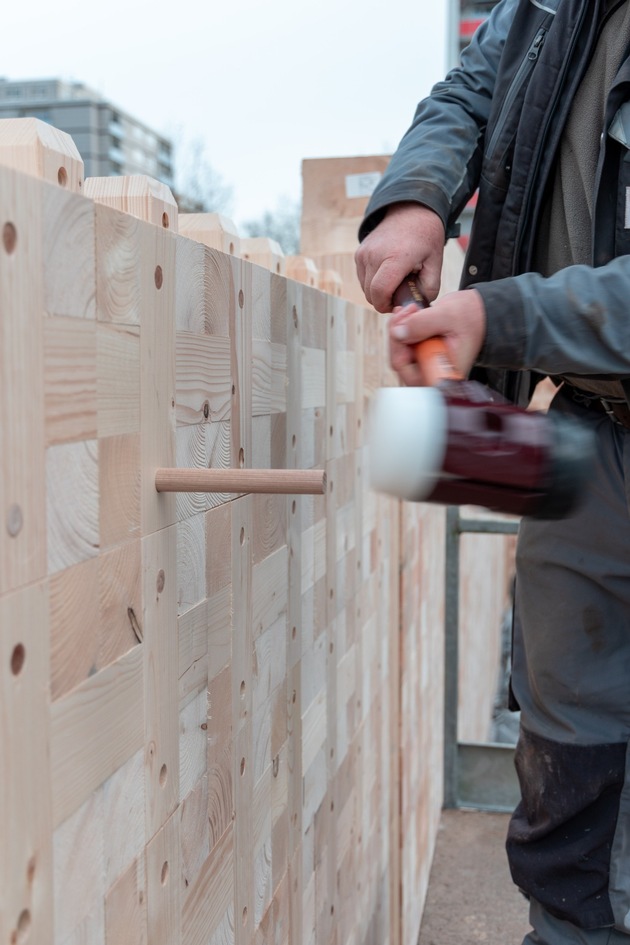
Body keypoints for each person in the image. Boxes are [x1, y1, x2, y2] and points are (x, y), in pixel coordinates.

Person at [355, 1, 630, 943]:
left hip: (569, 367)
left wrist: (500, 320)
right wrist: (416, 197)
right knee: (569, 759)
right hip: (595, 422)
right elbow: (475, 86)